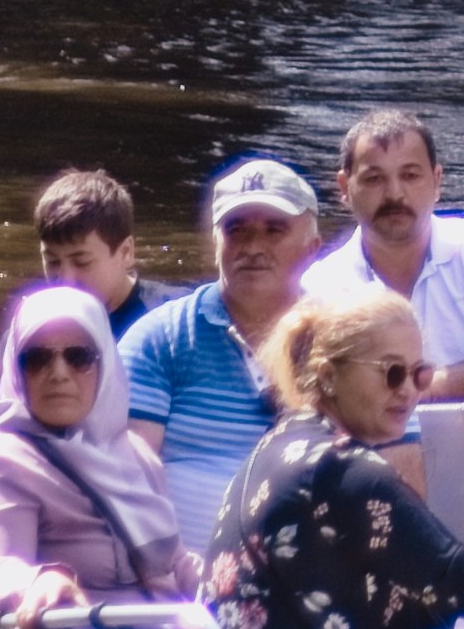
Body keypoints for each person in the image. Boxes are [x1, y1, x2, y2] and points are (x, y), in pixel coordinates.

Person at [204, 293, 464, 629]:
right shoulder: (341, 469)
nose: (408, 390)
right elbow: (455, 577)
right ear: (328, 376)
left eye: (419, 374)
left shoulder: (277, 443)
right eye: (391, 373)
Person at [300, 108, 464, 473]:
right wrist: (440, 427)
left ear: (436, 182)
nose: (394, 193)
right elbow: (323, 403)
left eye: (410, 175)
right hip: (383, 480)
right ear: (344, 188)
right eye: (374, 179)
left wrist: (417, 389)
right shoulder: (321, 286)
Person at [0, 283, 199, 627]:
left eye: (79, 357)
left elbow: (174, 564)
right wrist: (35, 582)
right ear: (16, 370)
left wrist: (227, 576)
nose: (59, 372)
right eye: (37, 358)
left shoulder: (134, 455)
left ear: (104, 366)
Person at [120, 155, 323, 537]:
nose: (253, 247)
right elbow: (127, 479)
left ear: (312, 247)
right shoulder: (159, 339)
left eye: (273, 230)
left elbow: (391, 455)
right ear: (216, 242)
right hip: (182, 577)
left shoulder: (344, 341)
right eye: (237, 230)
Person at [32, 167, 177, 316]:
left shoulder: (176, 320)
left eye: (82, 262)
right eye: (52, 261)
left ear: (125, 252)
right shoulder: (35, 326)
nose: (65, 280)